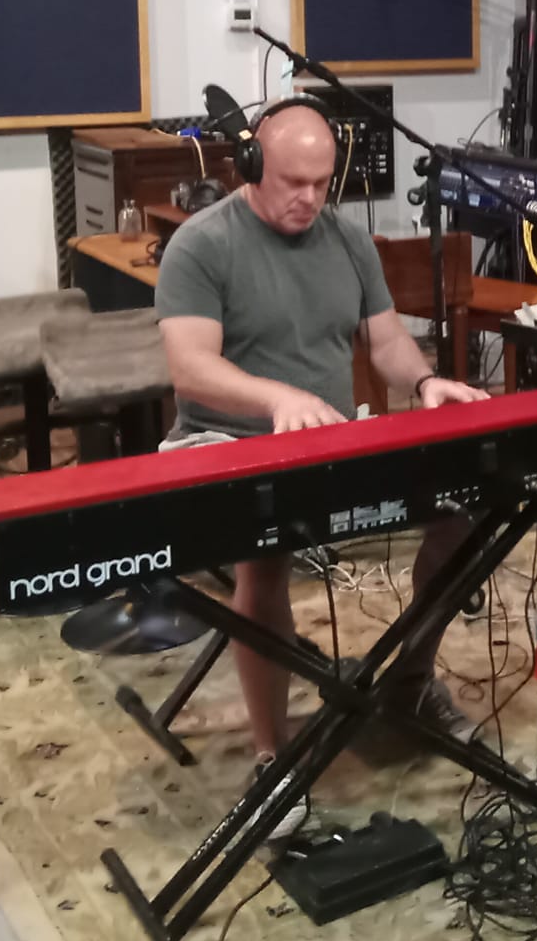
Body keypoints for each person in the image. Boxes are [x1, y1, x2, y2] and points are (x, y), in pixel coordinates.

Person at [156, 99, 487, 811]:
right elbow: (190, 368)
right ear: (251, 166)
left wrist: (425, 381)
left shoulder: (347, 240)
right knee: (265, 554)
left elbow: (386, 341)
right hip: (227, 441)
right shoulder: (201, 245)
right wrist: (277, 400)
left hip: (330, 437)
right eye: (292, 182)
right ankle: (271, 755)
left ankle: (409, 682)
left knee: (461, 513)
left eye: (321, 183)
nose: (309, 198)